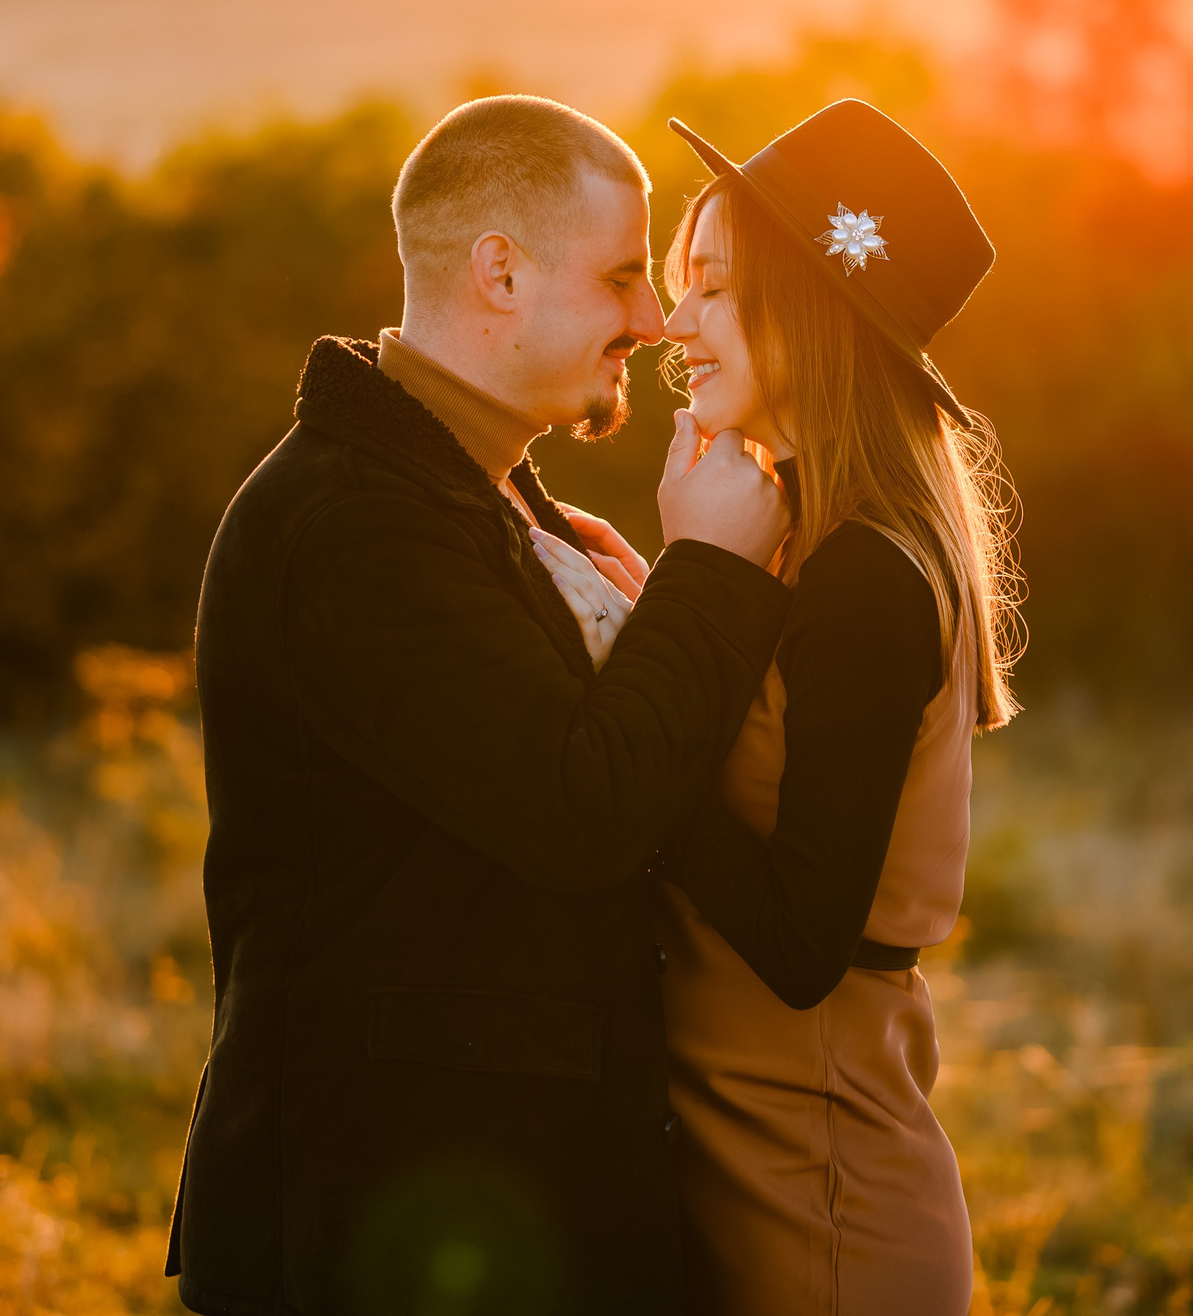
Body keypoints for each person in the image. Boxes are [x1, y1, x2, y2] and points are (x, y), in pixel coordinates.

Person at [165, 96, 795, 1316]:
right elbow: (581, 806)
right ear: (498, 273)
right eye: (620, 277)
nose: (652, 319)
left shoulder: (488, 496)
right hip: (381, 1216)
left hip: (488, 1196)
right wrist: (709, 581)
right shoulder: (353, 524)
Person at [531, 101, 1022, 1316]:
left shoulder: (865, 575)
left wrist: (622, 705)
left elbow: (804, 941)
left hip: (823, 1209)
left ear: (815, 307)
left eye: (712, 287)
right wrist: (679, 598)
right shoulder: (800, 541)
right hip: (757, 1162)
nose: (672, 323)